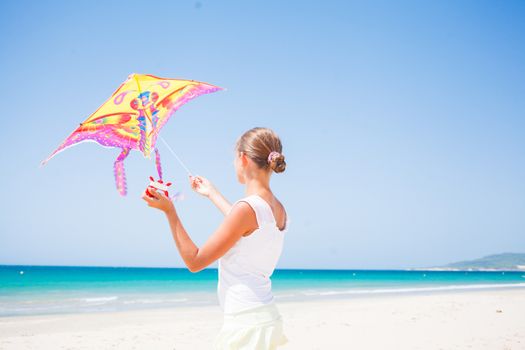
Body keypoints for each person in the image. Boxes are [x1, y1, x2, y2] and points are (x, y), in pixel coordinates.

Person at [142, 127, 290, 349]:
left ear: (243, 158)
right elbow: (244, 227)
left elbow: (195, 261)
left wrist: (170, 211)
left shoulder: (247, 209)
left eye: (234, 158)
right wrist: (211, 192)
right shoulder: (277, 208)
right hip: (267, 317)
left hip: (245, 323)